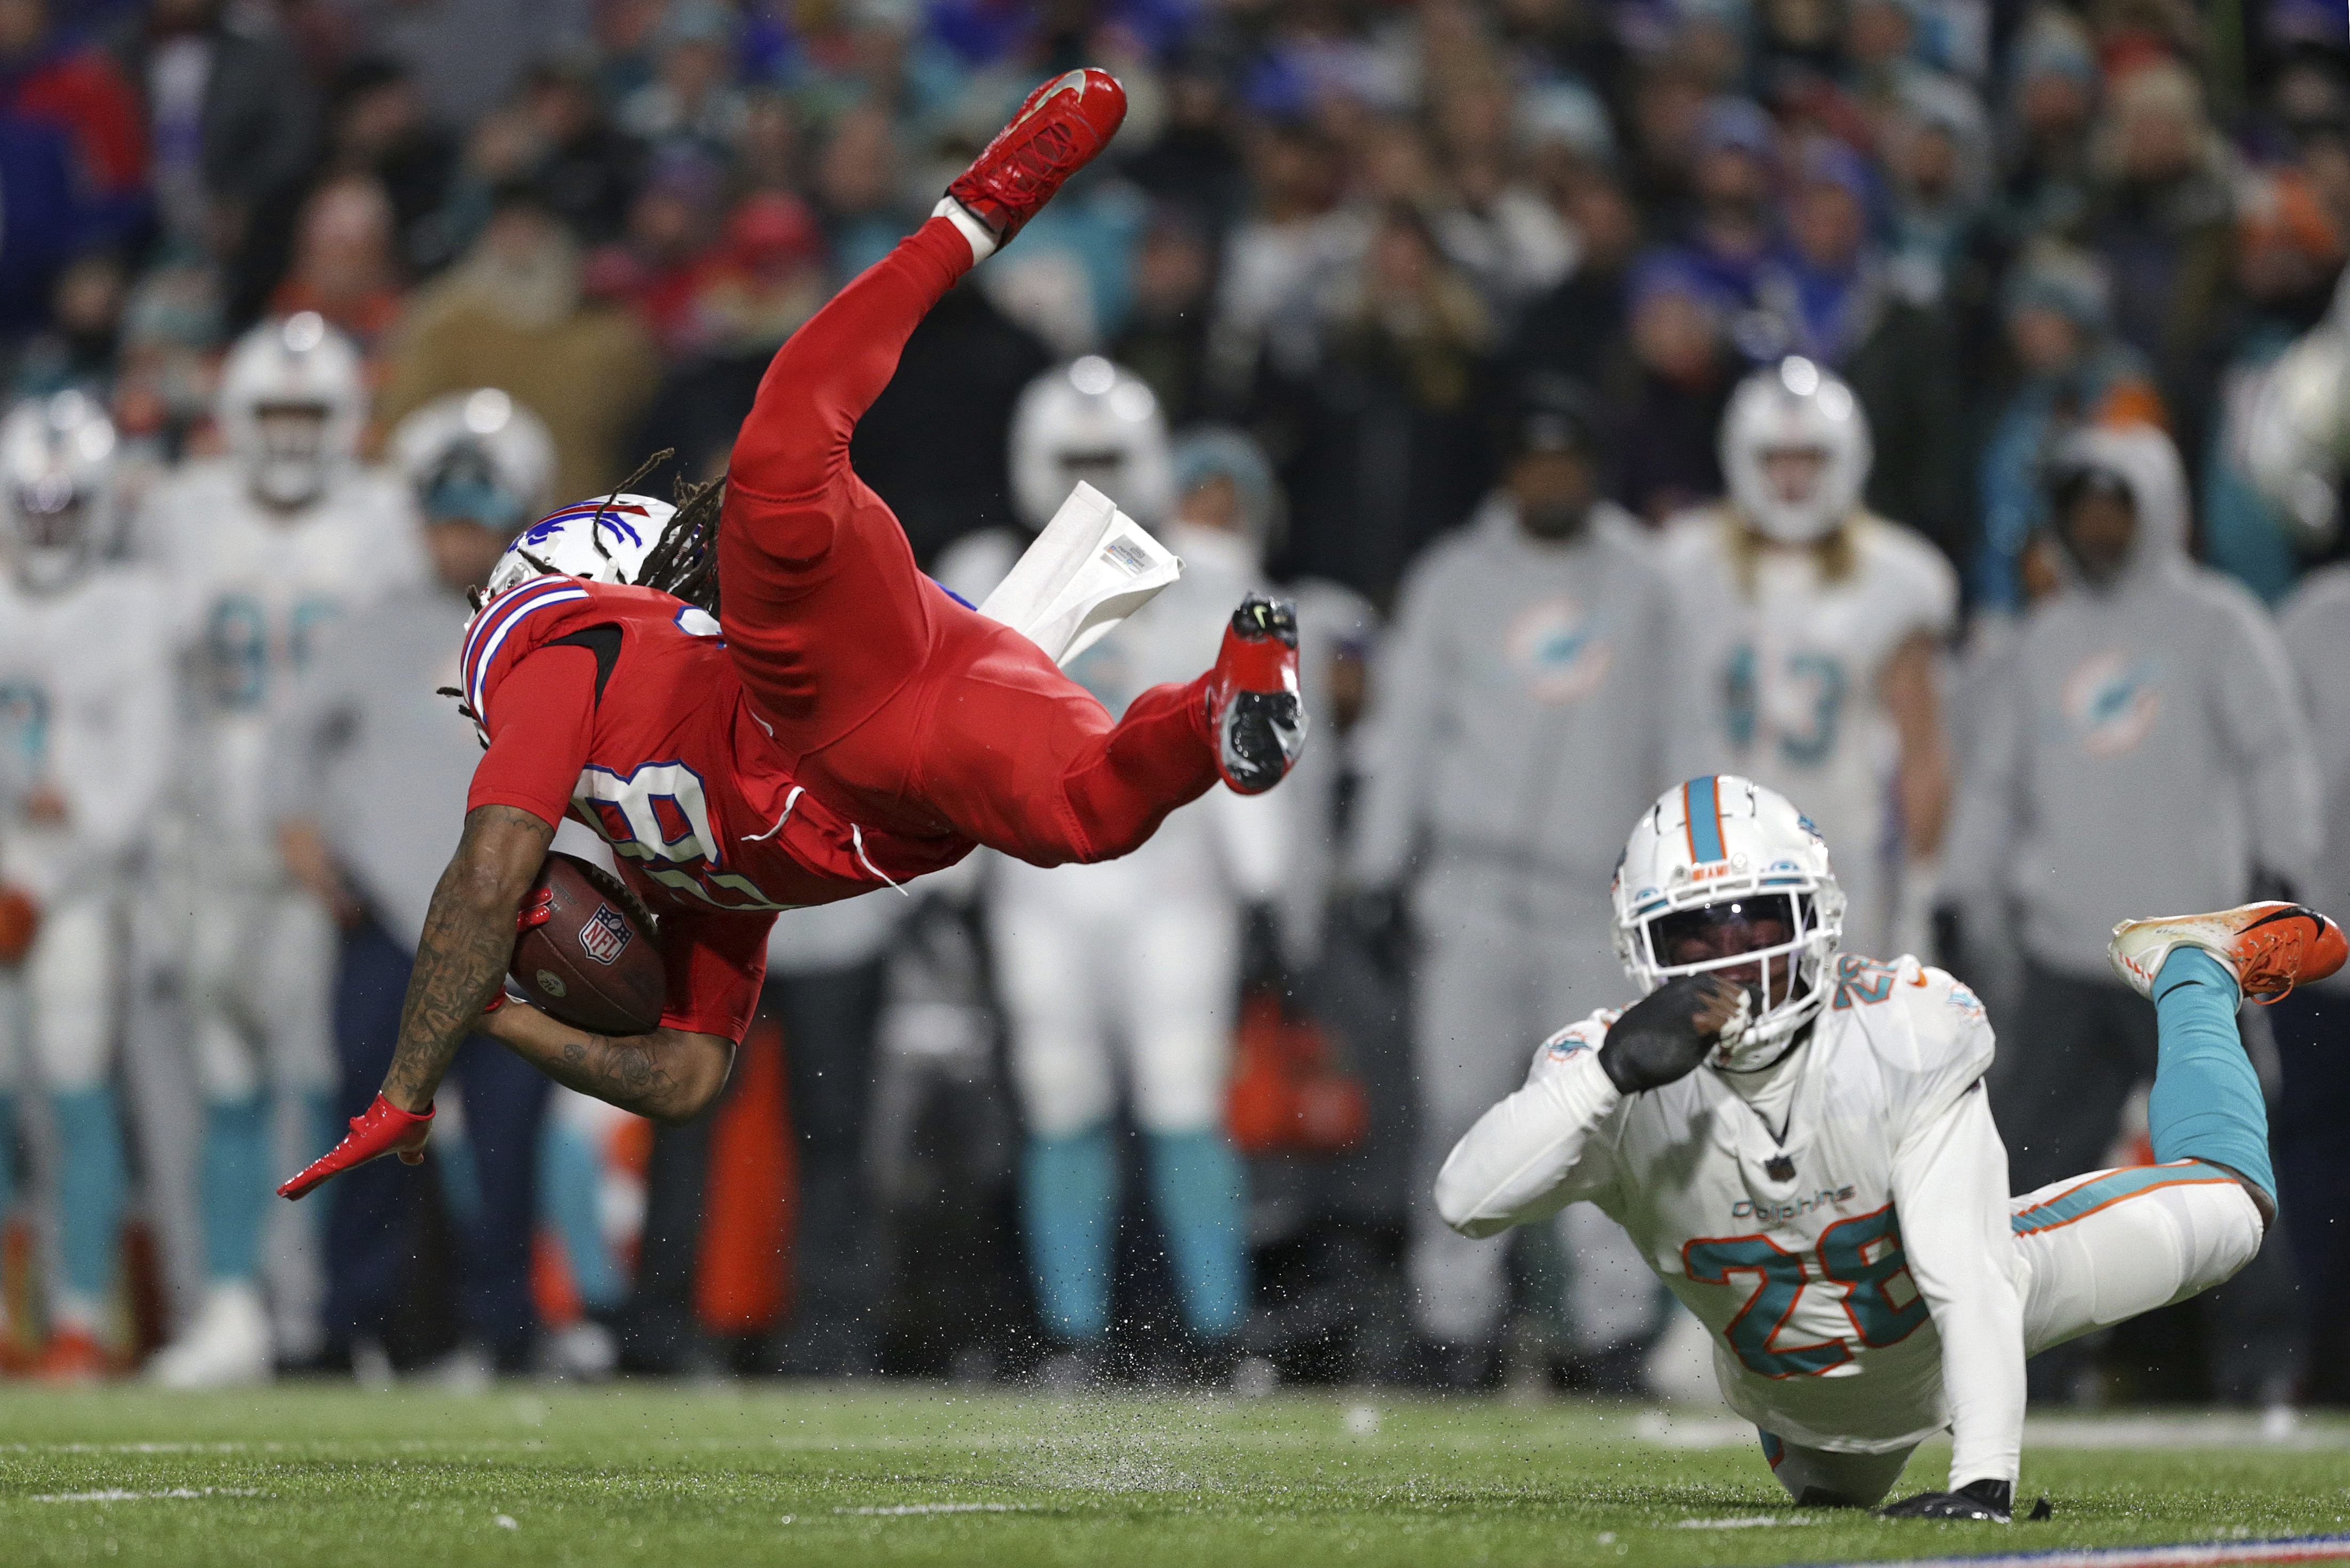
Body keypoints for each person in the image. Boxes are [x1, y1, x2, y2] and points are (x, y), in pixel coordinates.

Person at [277, 70, 1309, 1200]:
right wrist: (497, 1011)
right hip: (913, 739)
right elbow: (680, 1074)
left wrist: (409, 1084)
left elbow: (490, 879)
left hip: (821, 691)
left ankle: (975, 209)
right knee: (1088, 807)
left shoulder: (570, 660)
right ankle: (1223, 704)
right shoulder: (669, 864)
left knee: (778, 461)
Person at [1437, 772, 2343, 1516]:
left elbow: (1970, 1278)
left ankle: (2193, 971)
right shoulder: (1602, 1074)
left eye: (1758, 923)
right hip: (1805, 1406)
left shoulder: (1901, 1030)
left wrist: (1982, 1480)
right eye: (1693, 936)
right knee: (1831, 1496)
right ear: (1641, 949)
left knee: (2231, 1210)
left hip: (1974, 1305)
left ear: (1816, 918)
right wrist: (1607, 1075)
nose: (1732, 966)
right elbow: (1465, 1201)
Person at [943, 361, 1280, 1384]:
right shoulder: (984, 569)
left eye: (1107, 458)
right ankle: (1072, 1335)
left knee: (1184, 1098)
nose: (1091, 478)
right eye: (1074, 459)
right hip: (1040, 882)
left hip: (1172, 880)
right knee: (1060, 1100)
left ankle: (1220, 1337)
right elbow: (944, 740)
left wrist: (1264, 881)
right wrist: (948, 887)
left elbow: (1244, 732)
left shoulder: (1208, 573)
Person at [1349, 377, 1681, 1388]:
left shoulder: (1645, 580)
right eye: (1533, 459)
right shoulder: (1454, 577)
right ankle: (1454, 1324)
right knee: (1460, 1105)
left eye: (1567, 459)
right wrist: (1375, 859)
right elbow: (1405, 732)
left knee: (1603, 1116)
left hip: (1597, 896)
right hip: (1471, 884)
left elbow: (1680, 734)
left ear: (1592, 468)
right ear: (1509, 471)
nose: (1551, 477)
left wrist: (1679, 881)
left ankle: (1611, 1329)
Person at [142, 313, 423, 1387]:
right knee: (225, 1078)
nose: (297, 436)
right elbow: (160, 683)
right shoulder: (182, 516)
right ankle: (228, 1295)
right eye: (279, 413)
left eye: (315, 413)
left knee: (320, 1080)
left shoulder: (381, 520)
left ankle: (312, 1304)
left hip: (331, 848)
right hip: (214, 837)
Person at [267, 389, 562, 1377]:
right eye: (445, 521)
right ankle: (350, 1323)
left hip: (517, 923)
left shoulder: (555, 630)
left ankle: (508, 1330)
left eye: (476, 521)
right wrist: (301, 832)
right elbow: (293, 745)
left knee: (507, 1142)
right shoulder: (376, 623)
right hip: (390, 918)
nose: (457, 542)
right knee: (367, 1130)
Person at [1662, 357, 1957, 961]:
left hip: (1838, 860)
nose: (1791, 479)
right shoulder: (1682, 568)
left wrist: (1921, 894)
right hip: (1708, 865)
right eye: (1775, 460)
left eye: (1809, 460)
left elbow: (1921, 753)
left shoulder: (1896, 578)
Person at [0, 393, 170, 1379]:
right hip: (15, 870)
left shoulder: (131, 607)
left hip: (82, 891)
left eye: (70, 510)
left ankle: (75, 1313)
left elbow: (134, 786)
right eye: (37, 508)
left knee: (73, 1086)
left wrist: (38, 878)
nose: (52, 528)